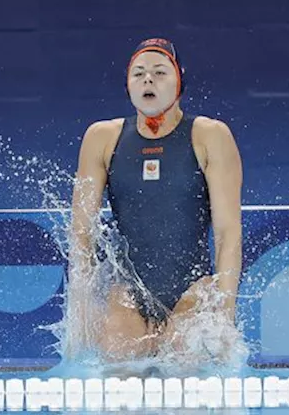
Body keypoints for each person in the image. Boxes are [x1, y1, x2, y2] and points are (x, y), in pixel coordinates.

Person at [68, 38, 244, 362]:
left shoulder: (209, 135)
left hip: (192, 293)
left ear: (180, 81)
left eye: (160, 72)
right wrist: (80, 309)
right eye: (139, 73)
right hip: (129, 297)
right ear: (127, 84)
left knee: (183, 359)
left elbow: (227, 233)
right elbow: (82, 232)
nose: (148, 79)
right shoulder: (101, 138)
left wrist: (224, 311)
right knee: (120, 371)